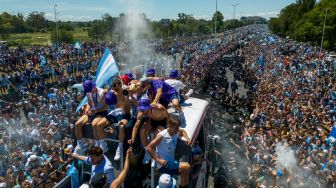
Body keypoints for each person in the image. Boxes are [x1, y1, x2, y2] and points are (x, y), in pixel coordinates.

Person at [146, 115, 190, 188]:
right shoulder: (162, 136)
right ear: (169, 126)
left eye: (178, 127)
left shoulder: (175, 131)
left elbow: (182, 131)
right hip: (164, 165)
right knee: (186, 166)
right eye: (175, 128)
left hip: (171, 161)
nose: (177, 130)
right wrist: (158, 160)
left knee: (186, 168)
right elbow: (149, 148)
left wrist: (187, 138)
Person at [96, 78, 131, 160]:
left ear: (120, 85)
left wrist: (126, 96)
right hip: (115, 112)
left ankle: (120, 148)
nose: (115, 90)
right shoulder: (113, 92)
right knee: (99, 125)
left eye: (117, 88)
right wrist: (105, 94)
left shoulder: (126, 91)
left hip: (124, 113)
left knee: (121, 126)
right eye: (114, 88)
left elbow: (127, 110)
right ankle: (104, 147)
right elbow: (102, 103)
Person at [128, 98, 168, 164]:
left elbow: (168, 117)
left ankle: (157, 154)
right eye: (142, 109)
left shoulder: (159, 108)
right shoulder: (141, 113)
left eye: (144, 109)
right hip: (151, 122)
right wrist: (132, 139)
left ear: (149, 107)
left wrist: (168, 129)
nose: (143, 111)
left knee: (158, 133)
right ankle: (147, 151)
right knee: (142, 130)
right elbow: (136, 126)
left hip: (161, 122)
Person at [74, 80, 108, 154]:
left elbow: (106, 107)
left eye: (90, 90)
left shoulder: (102, 93)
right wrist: (88, 109)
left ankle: (99, 144)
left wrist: (94, 111)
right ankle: (80, 145)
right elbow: (90, 103)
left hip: (100, 112)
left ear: (94, 87)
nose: (89, 92)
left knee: (94, 124)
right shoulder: (89, 93)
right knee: (77, 124)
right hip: (92, 112)